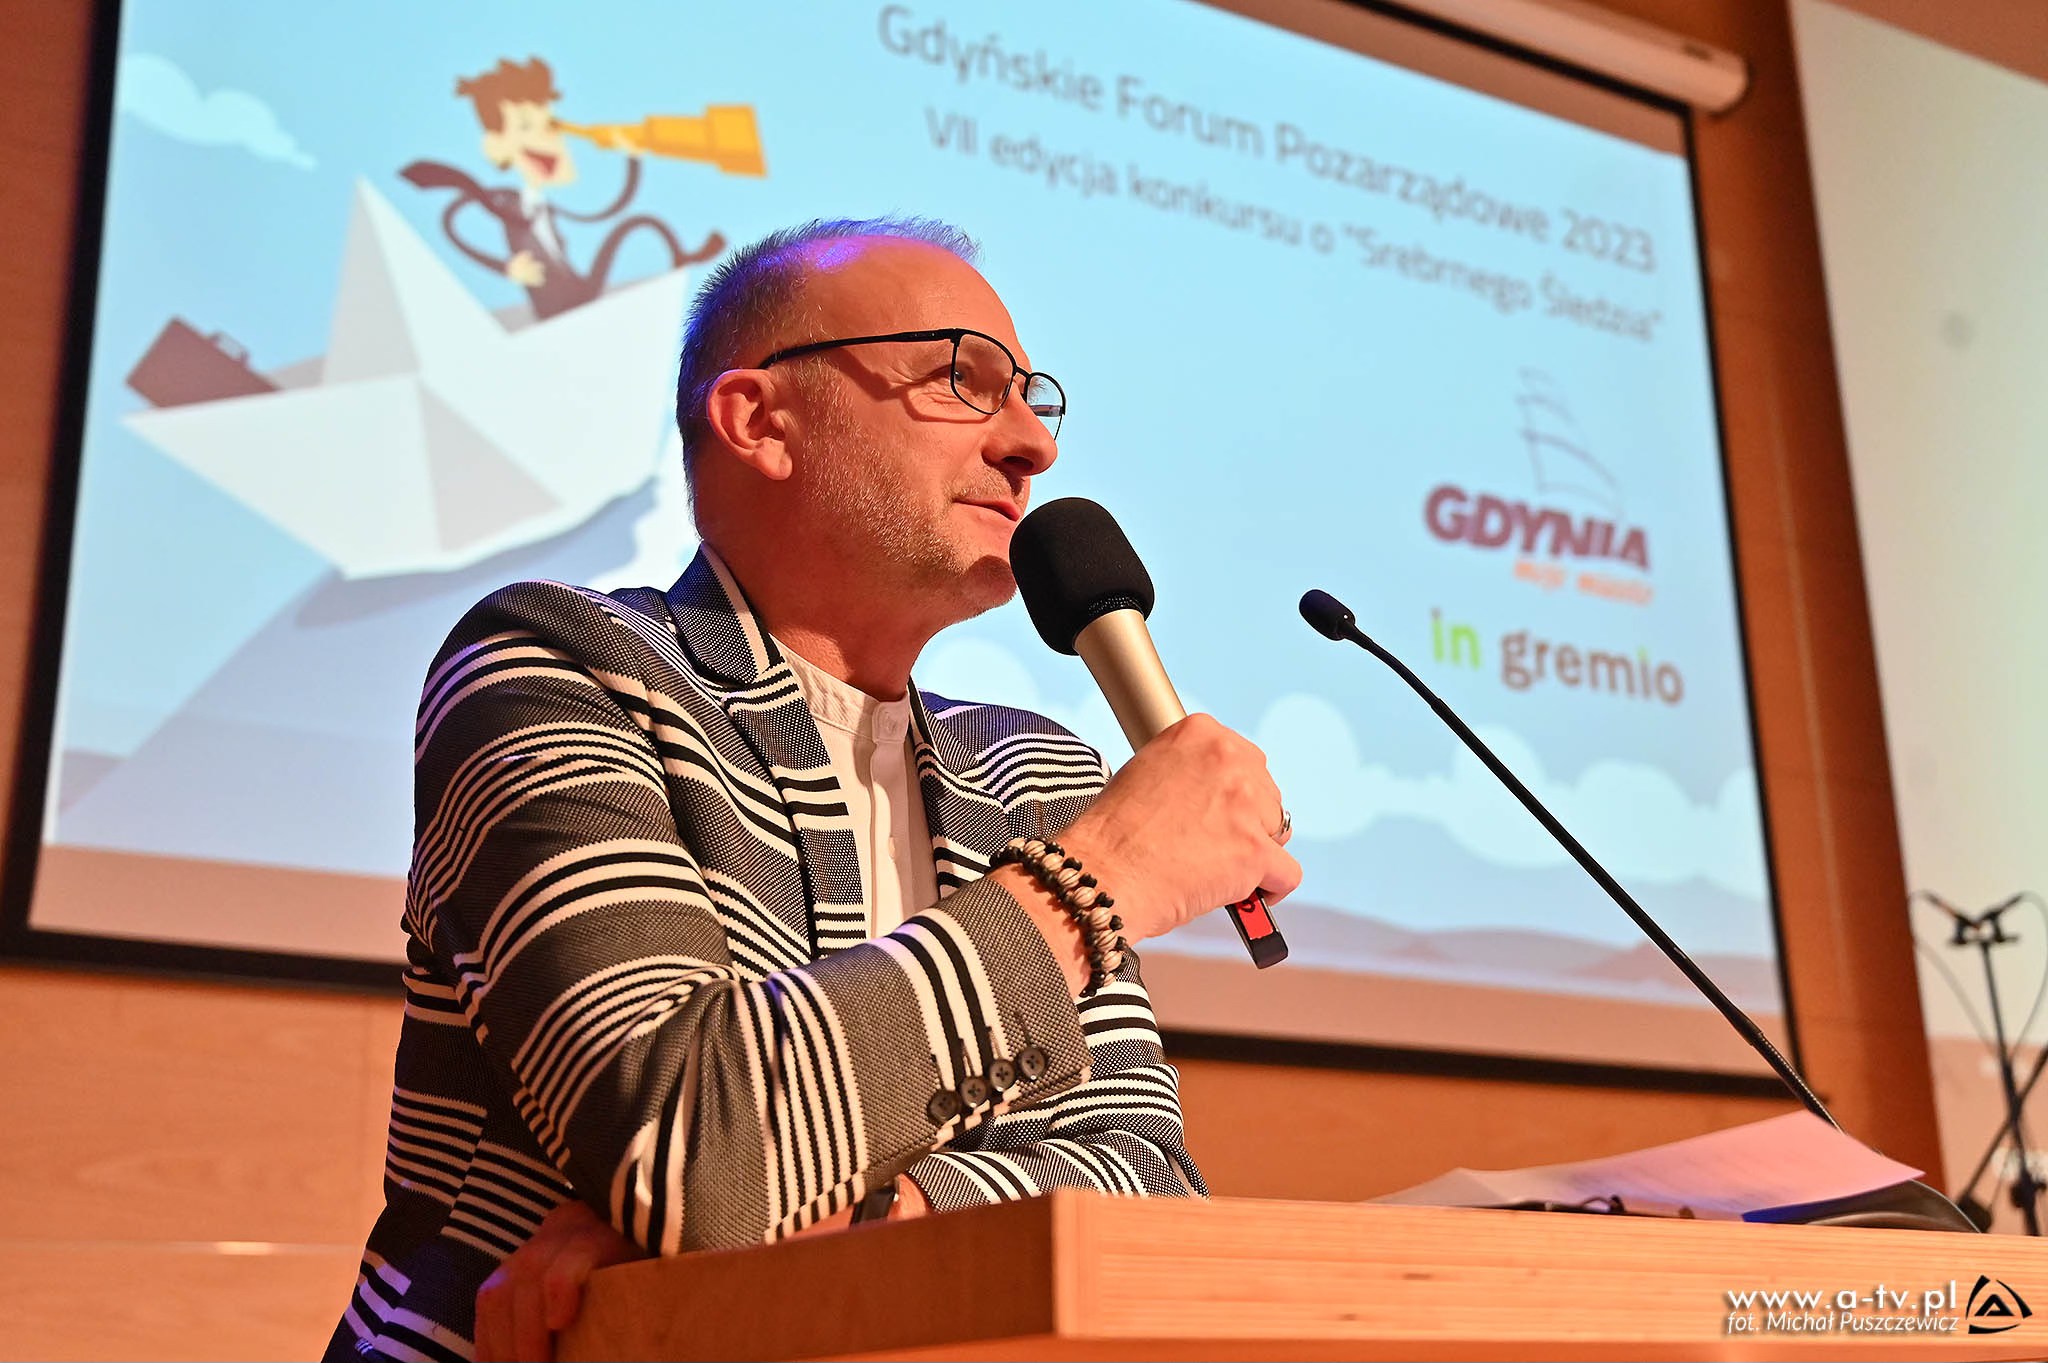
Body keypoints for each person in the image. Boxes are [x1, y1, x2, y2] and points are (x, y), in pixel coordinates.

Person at [327, 216, 1300, 1363]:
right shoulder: (559, 667)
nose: (1031, 443)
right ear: (758, 421)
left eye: (1032, 398)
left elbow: (1143, 1176)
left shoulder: (1027, 772)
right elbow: (688, 1148)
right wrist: (1099, 880)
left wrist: (860, 1220)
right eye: (962, 380)